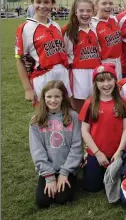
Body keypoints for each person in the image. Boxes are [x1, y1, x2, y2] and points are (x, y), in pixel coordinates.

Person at [29, 80, 82, 209]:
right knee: (43, 202)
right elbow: (37, 151)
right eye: (49, 96)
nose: (53, 100)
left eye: (57, 96)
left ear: (63, 97)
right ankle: (50, 178)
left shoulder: (73, 116)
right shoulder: (36, 121)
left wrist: (65, 172)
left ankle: (72, 178)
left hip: (67, 168)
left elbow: (76, 146)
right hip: (49, 169)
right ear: (43, 98)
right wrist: (49, 177)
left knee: (63, 199)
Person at [79, 63, 126, 192]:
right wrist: (97, 153)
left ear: (115, 80)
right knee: (93, 187)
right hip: (97, 153)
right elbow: (84, 131)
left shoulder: (121, 102)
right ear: (95, 83)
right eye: (101, 81)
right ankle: (88, 163)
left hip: (116, 153)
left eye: (109, 79)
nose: (106, 84)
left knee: (121, 183)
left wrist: (119, 151)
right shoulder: (90, 103)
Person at [15, 0, 71, 104]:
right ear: (33, 3)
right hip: (42, 76)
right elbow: (19, 60)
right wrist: (28, 89)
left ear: (52, 4)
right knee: (44, 116)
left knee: (64, 113)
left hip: (62, 74)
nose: (42, 6)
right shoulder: (25, 28)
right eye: (38, 2)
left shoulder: (55, 25)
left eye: (46, 2)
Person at [63, 0, 101, 111]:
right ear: (75, 12)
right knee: (79, 107)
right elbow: (66, 54)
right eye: (81, 11)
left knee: (95, 105)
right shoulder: (69, 31)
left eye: (89, 11)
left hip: (95, 71)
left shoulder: (95, 28)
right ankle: (79, 128)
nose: (85, 14)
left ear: (93, 12)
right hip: (78, 73)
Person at [92, 0, 123, 78]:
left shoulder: (114, 19)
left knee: (117, 87)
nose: (108, 6)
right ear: (96, 5)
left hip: (118, 61)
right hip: (104, 62)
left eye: (110, 3)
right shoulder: (92, 24)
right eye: (104, 3)